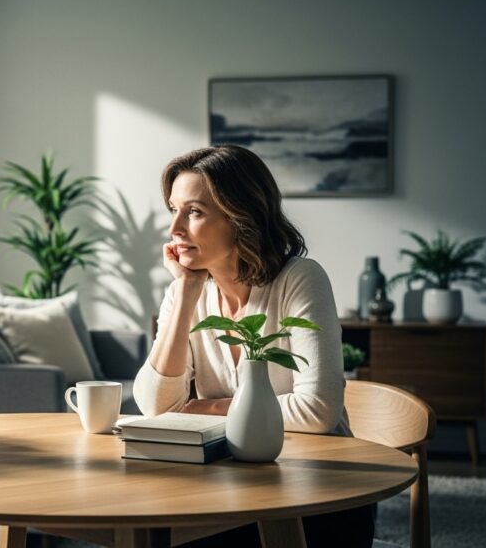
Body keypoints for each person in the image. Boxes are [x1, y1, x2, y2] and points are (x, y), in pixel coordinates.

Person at [133, 145, 373, 547]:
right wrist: (187, 289)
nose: (174, 228)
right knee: (153, 527)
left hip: (318, 494)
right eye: (172, 209)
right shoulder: (187, 289)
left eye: (194, 212)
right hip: (226, 488)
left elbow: (317, 412)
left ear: (240, 216)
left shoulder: (300, 279)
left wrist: (208, 408)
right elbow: (156, 406)